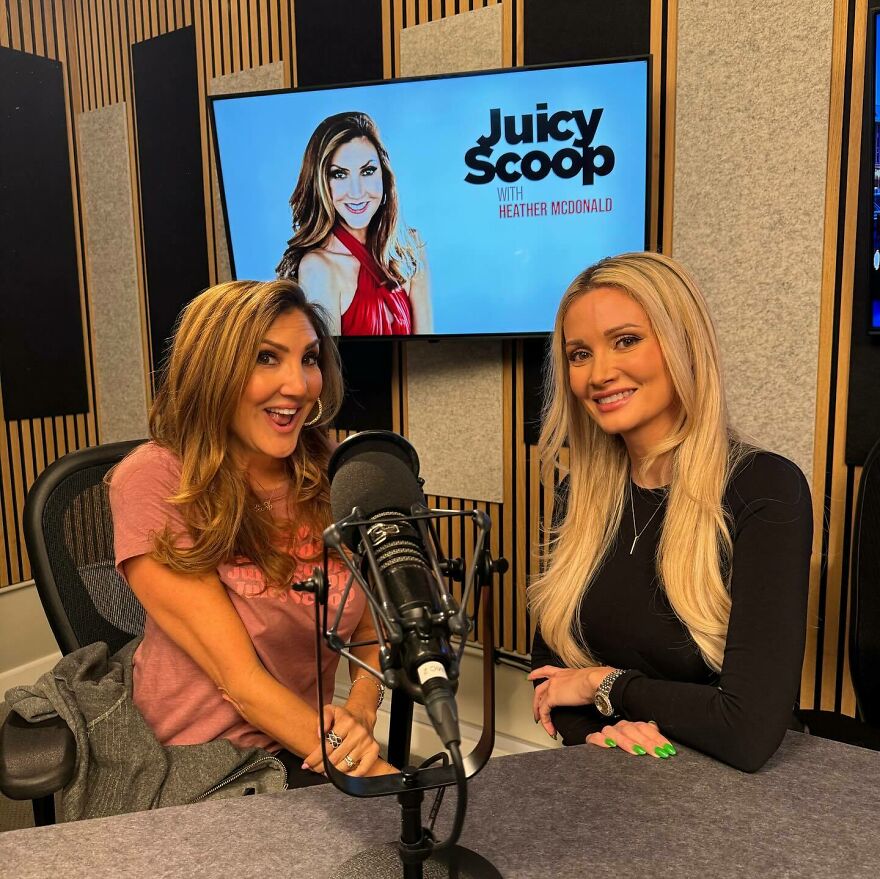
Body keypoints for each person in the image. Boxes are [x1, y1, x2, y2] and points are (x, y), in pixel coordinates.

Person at [527, 252, 812, 773]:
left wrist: (603, 685)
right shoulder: (578, 496)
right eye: (579, 354)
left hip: (740, 796)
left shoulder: (765, 488)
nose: (600, 373)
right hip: (614, 776)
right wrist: (603, 732)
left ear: (684, 344)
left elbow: (747, 728)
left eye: (626, 340)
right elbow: (549, 675)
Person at [109, 279, 395, 786]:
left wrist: (361, 710)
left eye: (309, 358)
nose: (300, 384)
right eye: (267, 358)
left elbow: (368, 629)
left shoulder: (334, 472)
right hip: (199, 764)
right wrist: (373, 774)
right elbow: (238, 681)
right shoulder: (156, 480)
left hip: (301, 744)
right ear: (212, 370)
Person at [276, 111, 432, 336]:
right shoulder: (319, 267)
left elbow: (426, 348)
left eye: (367, 171)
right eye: (339, 175)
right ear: (321, 184)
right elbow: (329, 368)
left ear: (384, 177)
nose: (357, 192)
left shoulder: (410, 248)